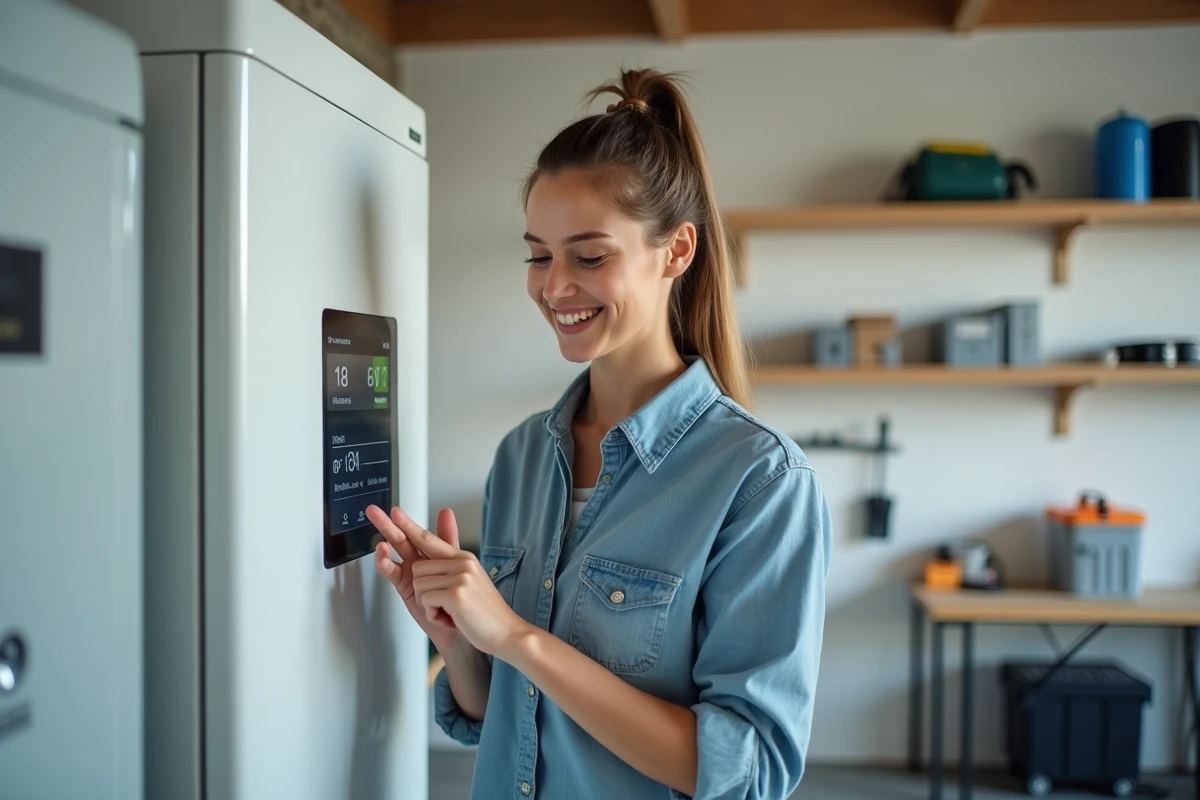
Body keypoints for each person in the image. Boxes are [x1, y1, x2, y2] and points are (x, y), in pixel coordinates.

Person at [366, 67, 831, 800]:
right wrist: (461, 642)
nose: (554, 287)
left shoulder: (762, 481)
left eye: (589, 256)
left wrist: (518, 637)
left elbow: (748, 771)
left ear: (676, 252)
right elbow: (506, 721)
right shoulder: (522, 455)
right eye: (538, 255)